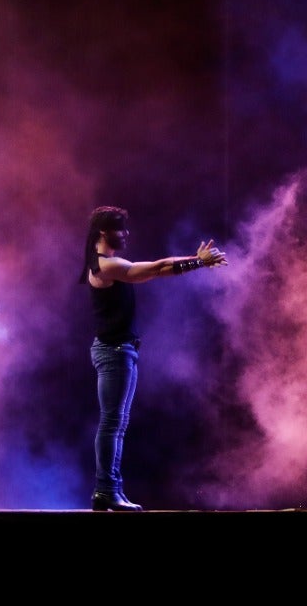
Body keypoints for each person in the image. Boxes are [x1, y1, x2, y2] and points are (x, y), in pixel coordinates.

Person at [81, 205, 226, 512]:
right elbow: (158, 268)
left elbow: (156, 269)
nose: (127, 233)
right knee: (112, 423)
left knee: (116, 423)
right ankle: (106, 490)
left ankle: (109, 489)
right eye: (121, 228)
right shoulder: (105, 266)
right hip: (115, 351)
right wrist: (196, 262)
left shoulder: (105, 264)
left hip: (121, 350)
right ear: (104, 232)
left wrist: (196, 263)